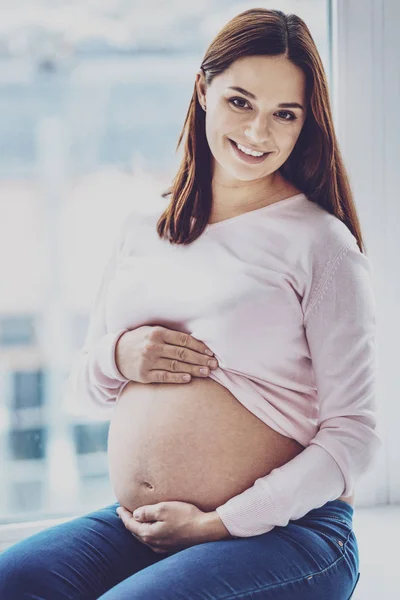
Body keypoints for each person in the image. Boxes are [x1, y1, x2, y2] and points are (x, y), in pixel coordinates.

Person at [0, 7, 381, 599]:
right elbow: (86, 388)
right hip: (146, 529)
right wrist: (119, 357)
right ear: (203, 89)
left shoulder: (321, 244)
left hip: (289, 535)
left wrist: (218, 523)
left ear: (307, 123)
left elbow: (354, 437)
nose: (259, 133)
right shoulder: (144, 228)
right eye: (241, 102)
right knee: (12, 579)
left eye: (285, 114)